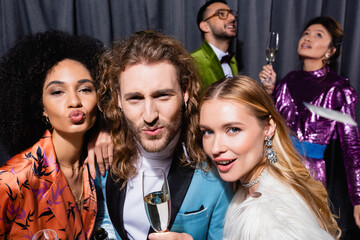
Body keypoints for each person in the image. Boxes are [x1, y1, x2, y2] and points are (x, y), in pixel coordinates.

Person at [94, 31, 233, 240]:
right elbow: (106, 223)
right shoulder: (105, 157)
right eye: (135, 98)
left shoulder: (217, 172)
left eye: (162, 96)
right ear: (118, 99)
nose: (150, 116)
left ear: (185, 92)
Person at [196, 75, 341, 239]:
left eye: (233, 129)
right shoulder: (251, 189)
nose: (215, 148)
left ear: (268, 128)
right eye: (208, 132)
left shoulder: (270, 221)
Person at [259, 16, 360, 238]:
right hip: (276, 164)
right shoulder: (287, 80)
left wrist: (358, 199)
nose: (308, 38)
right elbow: (269, 124)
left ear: (330, 51)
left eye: (318, 35)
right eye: (306, 33)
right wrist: (269, 92)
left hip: (309, 174)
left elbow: (351, 149)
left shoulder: (340, 89)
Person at [0, 30, 104, 239]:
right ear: (42, 108)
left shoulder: (97, 168)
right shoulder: (12, 181)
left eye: (85, 89)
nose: (74, 101)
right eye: (57, 92)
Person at [191, 0, 238, 90]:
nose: (232, 18)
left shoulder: (232, 61)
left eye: (231, 13)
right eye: (221, 14)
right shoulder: (194, 62)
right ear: (205, 26)